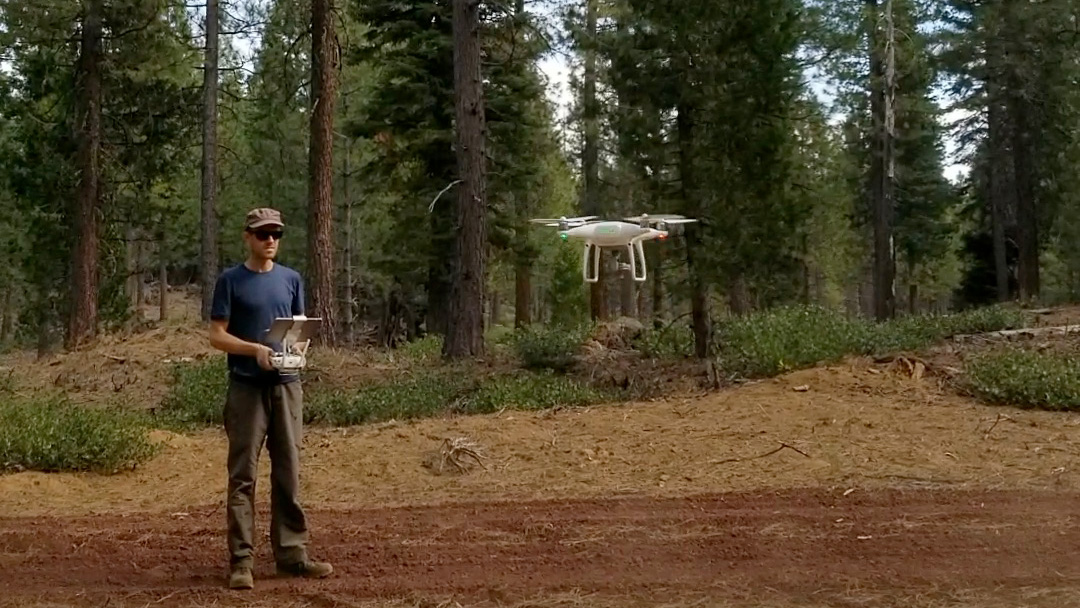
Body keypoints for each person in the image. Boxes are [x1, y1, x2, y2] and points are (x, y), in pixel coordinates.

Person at [208, 207, 333, 590]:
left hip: (287, 386)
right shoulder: (230, 281)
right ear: (247, 236)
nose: (270, 241)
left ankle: (292, 554)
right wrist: (254, 350)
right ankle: (241, 561)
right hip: (246, 388)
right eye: (263, 234)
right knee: (243, 476)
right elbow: (216, 335)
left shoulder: (292, 279)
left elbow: (297, 329)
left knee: (288, 473)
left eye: (276, 234)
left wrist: (300, 351)